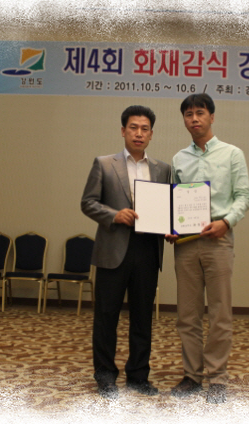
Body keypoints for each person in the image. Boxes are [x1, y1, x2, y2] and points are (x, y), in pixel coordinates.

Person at [165, 93, 249, 404]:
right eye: (188, 114)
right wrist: (169, 225)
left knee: (219, 313)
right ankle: (192, 375)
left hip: (218, 240)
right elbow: (173, 201)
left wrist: (226, 222)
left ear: (212, 117)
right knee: (187, 314)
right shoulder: (179, 159)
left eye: (200, 113)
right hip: (185, 244)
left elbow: (244, 196)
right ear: (184, 120)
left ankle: (217, 378)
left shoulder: (232, 154)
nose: (194, 119)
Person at [81, 105, 171, 400]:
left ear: (151, 134)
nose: (138, 133)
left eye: (145, 129)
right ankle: (105, 376)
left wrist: (172, 226)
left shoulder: (162, 169)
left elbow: (167, 207)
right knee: (106, 316)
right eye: (133, 127)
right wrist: (114, 215)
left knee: (143, 317)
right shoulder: (104, 164)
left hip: (148, 250)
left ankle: (138, 376)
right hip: (113, 249)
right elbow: (88, 202)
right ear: (123, 131)